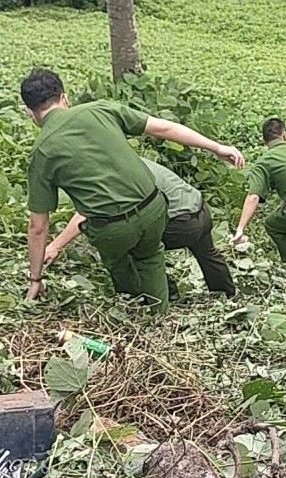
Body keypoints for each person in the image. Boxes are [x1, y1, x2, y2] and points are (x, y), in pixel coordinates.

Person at [21, 68, 244, 313]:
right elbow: (164, 129)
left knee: (121, 261)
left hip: (114, 229)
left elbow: (38, 225)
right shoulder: (100, 109)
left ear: (30, 113)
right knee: (150, 256)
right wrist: (216, 147)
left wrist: (35, 278)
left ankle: (136, 310)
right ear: (64, 98)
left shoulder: (41, 152)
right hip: (154, 207)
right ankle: (163, 315)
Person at [44, 157, 236, 298]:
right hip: (199, 207)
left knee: (136, 244)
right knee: (208, 253)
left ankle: (167, 293)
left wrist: (55, 246)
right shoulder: (131, 160)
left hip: (181, 223)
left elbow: (86, 212)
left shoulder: (114, 175)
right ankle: (227, 295)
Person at [230, 118, 286, 263]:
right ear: (285, 134)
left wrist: (240, 228)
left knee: (272, 224)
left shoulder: (264, 162)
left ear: (264, 140)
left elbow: (253, 197)